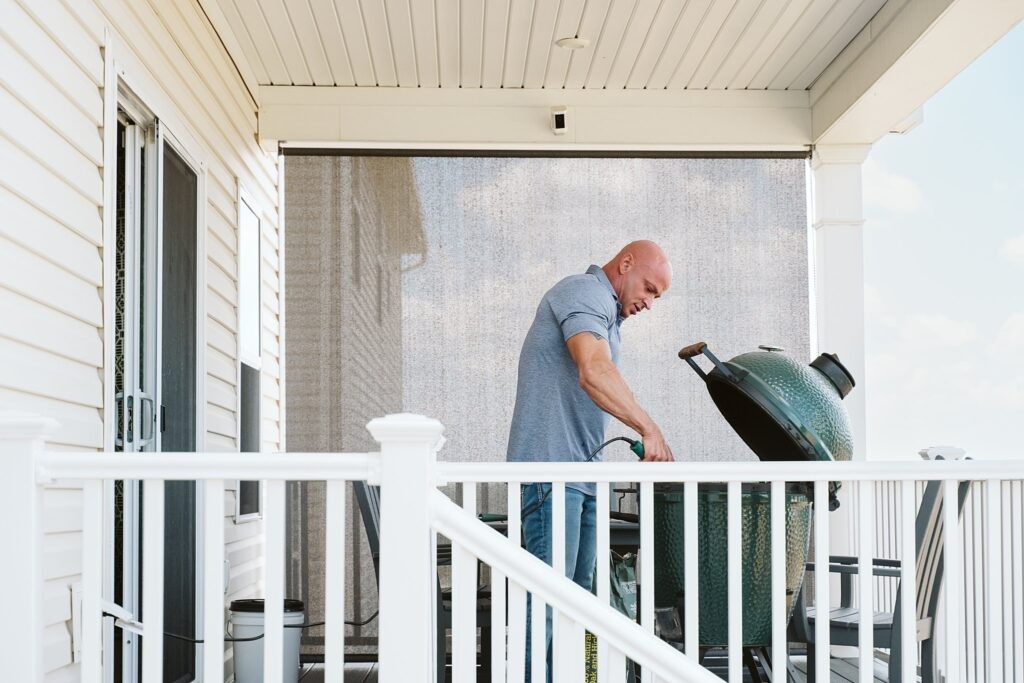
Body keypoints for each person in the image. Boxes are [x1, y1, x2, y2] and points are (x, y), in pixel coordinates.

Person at [506, 240, 675, 680]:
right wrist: (649, 429)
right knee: (547, 598)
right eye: (650, 289)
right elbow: (593, 372)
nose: (650, 303)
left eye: (657, 296)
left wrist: (643, 425)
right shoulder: (583, 291)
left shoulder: (608, 317)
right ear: (625, 264)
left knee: (577, 599)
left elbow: (610, 380)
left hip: (581, 478)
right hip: (551, 475)